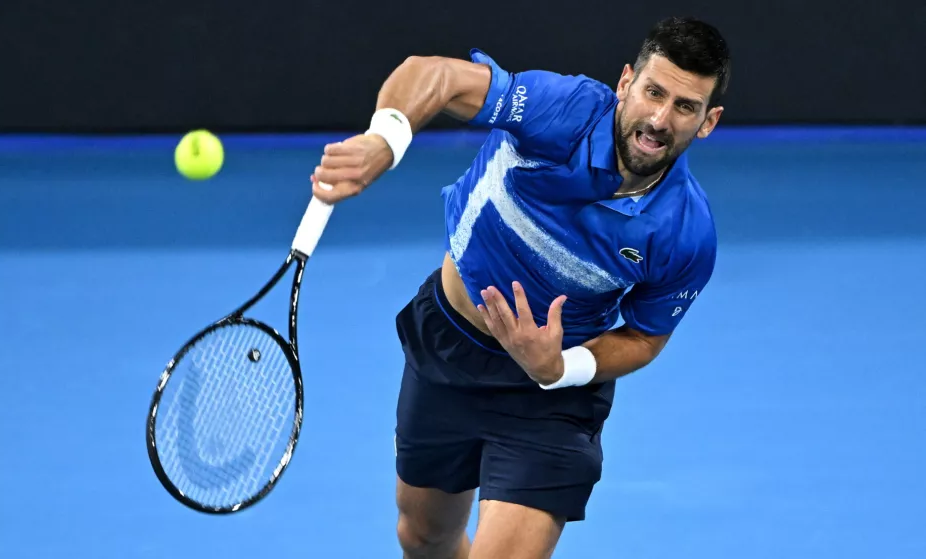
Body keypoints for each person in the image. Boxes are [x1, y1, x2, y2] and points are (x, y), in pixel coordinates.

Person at [310, 15, 730, 559]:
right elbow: (434, 75)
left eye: (684, 107)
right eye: (653, 92)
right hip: (448, 346)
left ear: (708, 121)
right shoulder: (565, 111)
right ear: (626, 82)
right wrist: (384, 139)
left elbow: (646, 338)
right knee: (423, 536)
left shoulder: (686, 232)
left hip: (549, 398)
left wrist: (561, 369)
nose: (659, 118)